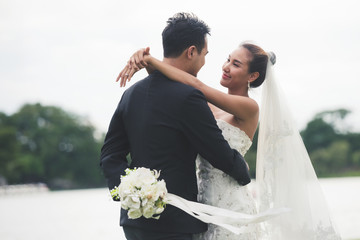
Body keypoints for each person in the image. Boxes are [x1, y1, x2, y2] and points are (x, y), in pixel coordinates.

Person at [119, 42, 342, 239]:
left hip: (232, 204)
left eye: (236, 64)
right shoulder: (209, 106)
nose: (226, 66)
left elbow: (197, 86)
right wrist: (147, 65)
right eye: (227, 59)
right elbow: (178, 88)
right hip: (201, 205)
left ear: (252, 76)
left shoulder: (249, 108)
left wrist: (153, 61)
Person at [100, 12, 251, 240]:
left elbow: (110, 155)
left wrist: (132, 192)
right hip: (175, 224)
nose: (204, 62)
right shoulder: (189, 97)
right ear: (191, 51)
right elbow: (215, 150)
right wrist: (243, 171)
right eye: (204, 55)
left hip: (132, 222)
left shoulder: (130, 95)